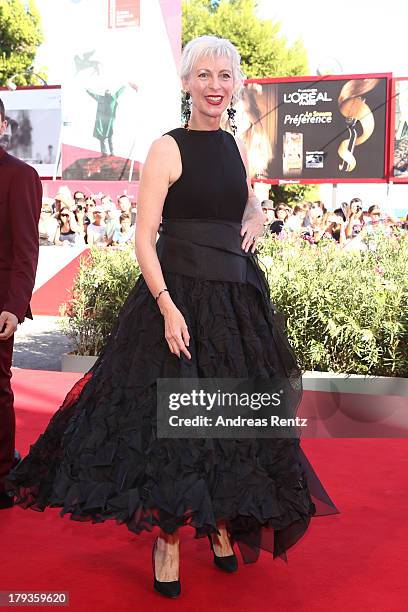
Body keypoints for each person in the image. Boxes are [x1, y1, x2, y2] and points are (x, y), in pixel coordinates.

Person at [5, 37, 338, 597]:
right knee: (174, 426)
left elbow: (243, 199)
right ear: (186, 83)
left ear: (235, 84)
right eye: (203, 75)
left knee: (228, 418)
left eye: (224, 76)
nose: (214, 86)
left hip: (235, 300)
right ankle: (168, 537)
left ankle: (221, 521)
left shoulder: (235, 144)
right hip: (177, 299)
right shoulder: (167, 147)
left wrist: (254, 217)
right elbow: (143, 236)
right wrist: (165, 305)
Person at [0, 96, 42, 509]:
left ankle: (1, 474)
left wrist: (14, 304)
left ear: (2, 126)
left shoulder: (20, 175)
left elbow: (25, 249)